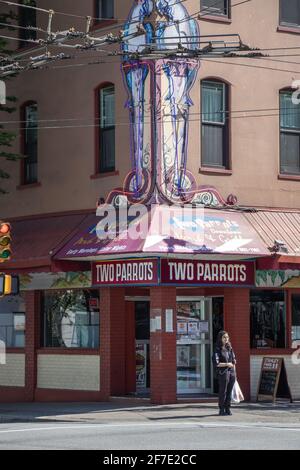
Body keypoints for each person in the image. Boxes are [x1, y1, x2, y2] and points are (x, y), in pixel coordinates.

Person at [213, 330, 237, 416]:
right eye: (224, 337)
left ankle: (228, 408)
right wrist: (227, 364)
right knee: (223, 391)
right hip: (223, 373)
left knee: (229, 391)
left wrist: (233, 365)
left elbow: (234, 360)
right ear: (220, 338)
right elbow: (217, 363)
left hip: (231, 372)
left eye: (227, 337)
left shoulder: (229, 348)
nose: (226, 339)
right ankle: (221, 409)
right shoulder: (217, 349)